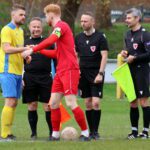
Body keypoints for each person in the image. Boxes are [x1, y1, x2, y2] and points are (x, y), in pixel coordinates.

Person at [21, 4, 90, 141]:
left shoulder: (61, 26)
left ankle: (86, 133)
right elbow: (56, 53)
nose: (46, 18)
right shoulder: (57, 29)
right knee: (52, 103)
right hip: (60, 71)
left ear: (51, 14)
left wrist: (33, 50)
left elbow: (51, 40)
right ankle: (55, 135)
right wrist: (38, 49)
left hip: (70, 69)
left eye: (46, 15)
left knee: (71, 102)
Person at [75, 12, 108, 140]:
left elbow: (104, 55)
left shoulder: (100, 37)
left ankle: (96, 131)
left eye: (86, 21)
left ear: (92, 21)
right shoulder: (78, 38)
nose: (83, 23)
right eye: (82, 21)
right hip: (83, 74)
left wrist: (100, 73)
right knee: (88, 103)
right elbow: (76, 56)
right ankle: (90, 131)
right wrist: (76, 70)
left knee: (95, 103)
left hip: (96, 73)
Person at [22, 17, 54, 140]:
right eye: (34, 27)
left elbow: (56, 59)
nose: (36, 29)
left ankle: (52, 133)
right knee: (32, 105)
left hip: (46, 77)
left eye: (38, 27)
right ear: (30, 27)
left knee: (48, 106)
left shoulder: (48, 42)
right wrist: (21, 78)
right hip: (29, 77)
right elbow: (19, 62)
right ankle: (33, 134)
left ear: (42, 28)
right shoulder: (24, 43)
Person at [121, 8, 150, 139]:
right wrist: (125, 53)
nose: (126, 20)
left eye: (129, 18)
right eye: (126, 18)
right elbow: (129, 49)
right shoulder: (127, 34)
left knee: (143, 102)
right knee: (132, 101)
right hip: (129, 71)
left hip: (142, 71)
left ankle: (145, 131)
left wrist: (136, 58)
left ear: (137, 19)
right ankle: (133, 131)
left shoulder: (145, 34)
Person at [0, 4, 27, 141]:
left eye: (24, 15)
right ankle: (3, 134)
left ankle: (8, 133)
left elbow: (18, 50)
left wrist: (26, 56)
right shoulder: (6, 29)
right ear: (13, 15)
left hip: (17, 72)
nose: (23, 17)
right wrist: (25, 48)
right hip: (7, 71)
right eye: (21, 14)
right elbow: (7, 49)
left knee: (14, 102)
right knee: (9, 101)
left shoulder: (20, 31)